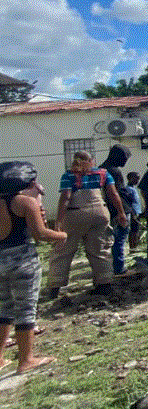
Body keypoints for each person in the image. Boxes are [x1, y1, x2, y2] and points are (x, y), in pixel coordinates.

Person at [0, 162, 65, 374]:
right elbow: (41, 234)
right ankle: (26, 360)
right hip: (23, 260)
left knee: (4, 309)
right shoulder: (25, 203)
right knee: (26, 309)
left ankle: (0, 358)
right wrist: (62, 235)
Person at [48, 151, 126, 299]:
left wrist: (58, 221)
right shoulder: (103, 174)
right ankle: (104, 284)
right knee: (100, 249)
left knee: (63, 250)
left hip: (74, 214)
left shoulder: (68, 175)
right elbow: (113, 194)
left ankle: (55, 286)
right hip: (99, 213)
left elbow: (65, 197)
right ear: (92, 160)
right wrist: (121, 213)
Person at [99, 145, 135, 275]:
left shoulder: (101, 169)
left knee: (110, 241)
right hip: (119, 209)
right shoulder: (114, 171)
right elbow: (117, 193)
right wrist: (123, 211)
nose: (125, 161)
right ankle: (119, 268)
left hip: (107, 209)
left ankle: (110, 267)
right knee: (119, 239)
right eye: (125, 158)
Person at [126, 171, 142, 250]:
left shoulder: (134, 188)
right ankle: (132, 248)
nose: (137, 181)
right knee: (133, 231)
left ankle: (135, 246)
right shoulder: (128, 189)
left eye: (138, 179)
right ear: (130, 178)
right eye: (136, 178)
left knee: (137, 230)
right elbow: (129, 202)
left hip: (137, 212)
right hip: (133, 213)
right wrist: (133, 214)